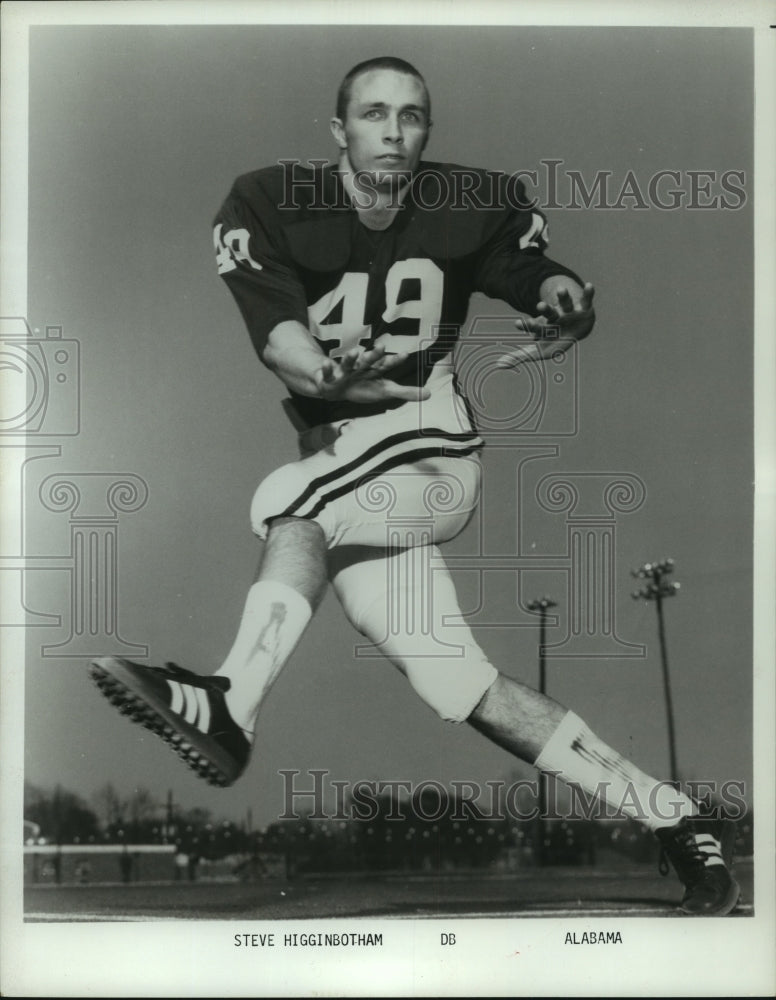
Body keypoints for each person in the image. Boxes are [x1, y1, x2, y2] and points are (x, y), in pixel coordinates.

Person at [90, 56, 739, 916]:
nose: (393, 132)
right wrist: (328, 368)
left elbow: (533, 271)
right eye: (373, 114)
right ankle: (673, 816)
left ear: (427, 129)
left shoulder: (469, 202)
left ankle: (230, 705)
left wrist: (566, 300)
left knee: (289, 502)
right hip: (349, 462)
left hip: (430, 447)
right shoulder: (267, 202)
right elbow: (276, 336)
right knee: (460, 686)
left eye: (411, 116)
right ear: (339, 130)